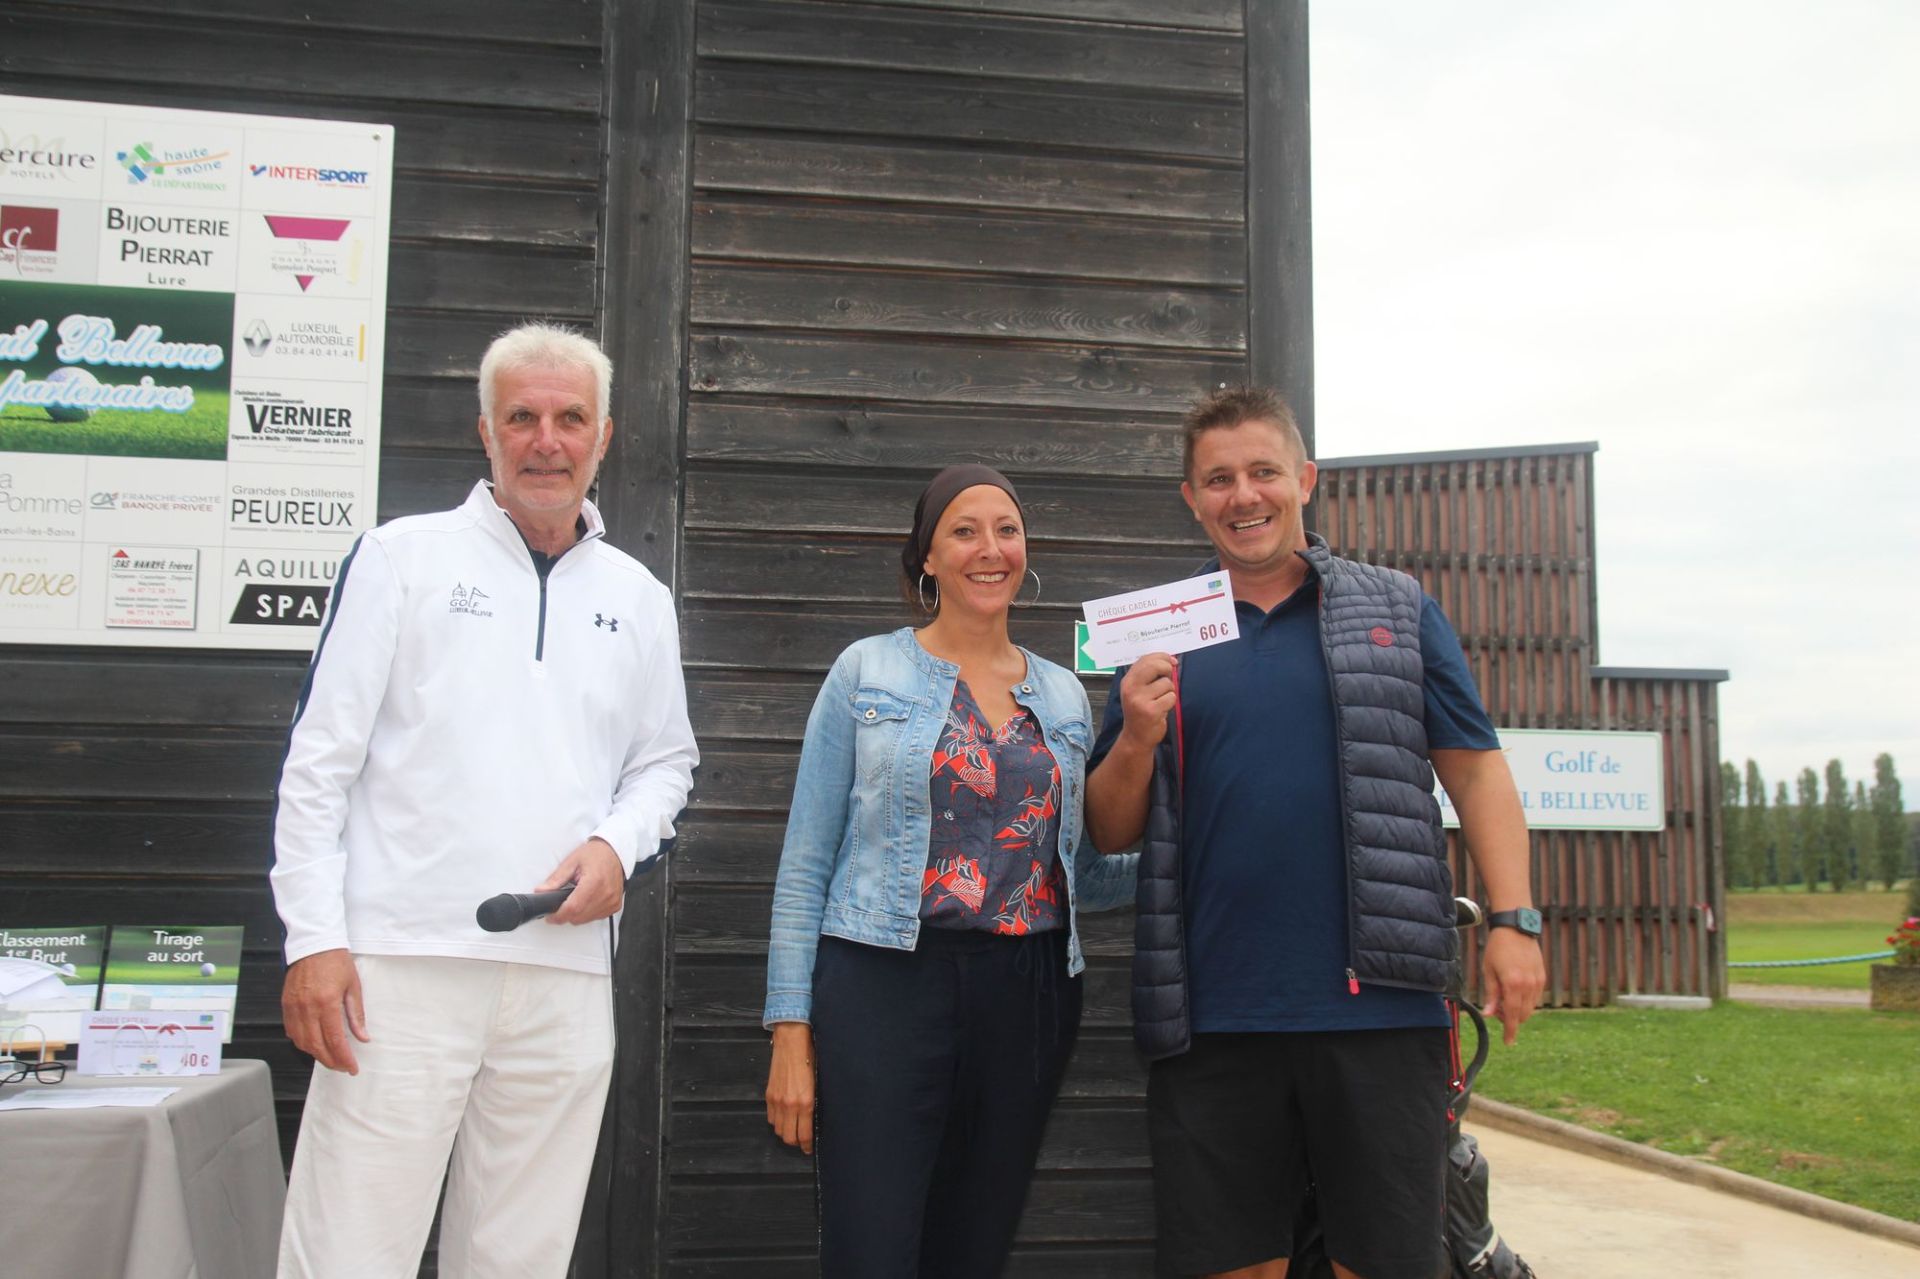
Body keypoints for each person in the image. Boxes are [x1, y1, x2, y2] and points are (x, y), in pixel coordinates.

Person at [1084, 386, 1546, 1279]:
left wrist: (1514, 920)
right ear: (1191, 497)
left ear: (1305, 478)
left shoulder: (1398, 608)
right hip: (1212, 1015)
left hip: (1383, 1007)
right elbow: (1109, 829)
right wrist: (1136, 735)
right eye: (1219, 479)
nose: (1243, 495)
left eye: (1263, 471)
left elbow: (1478, 771)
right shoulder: (1156, 633)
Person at [269, 323, 698, 1279]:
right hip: (396, 970)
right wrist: (314, 940)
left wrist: (615, 845)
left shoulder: (639, 597)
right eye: (521, 418)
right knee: (347, 1253)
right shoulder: (400, 558)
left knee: (519, 1260)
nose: (546, 441)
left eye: (570, 418)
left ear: (604, 436)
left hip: (565, 975)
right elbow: (317, 764)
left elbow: (666, 764)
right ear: (485, 432)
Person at [763, 464, 1137, 1278]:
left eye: (1006, 530)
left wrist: (1195, 855)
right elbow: (805, 861)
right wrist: (790, 1028)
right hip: (883, 983)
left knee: (974, 1248)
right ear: (927, 557)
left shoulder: (1064, 696)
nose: (989, 548)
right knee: (870, 1247)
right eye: (964, 531)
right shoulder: (866, 671)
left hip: (1030, 991)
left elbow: (1078, 870)